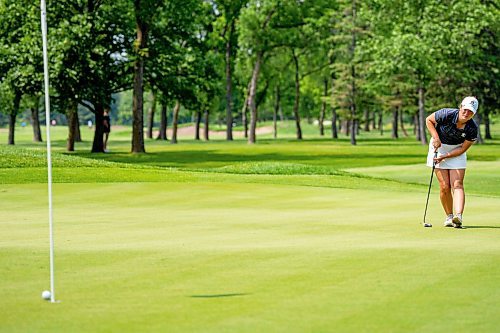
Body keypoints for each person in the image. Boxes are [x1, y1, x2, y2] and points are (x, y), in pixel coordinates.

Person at [425, 96, 479, 228]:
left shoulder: (472, 128)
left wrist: (446, 156)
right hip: (439, 146)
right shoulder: (446, 114)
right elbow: (429, 120)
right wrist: (436, 138)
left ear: (474, 113)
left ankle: (458, 216)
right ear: (460, 107)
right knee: (445, 186)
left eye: (470, 112)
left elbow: (462, 149)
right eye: (465, 109)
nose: (467, 113)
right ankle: (449, 217)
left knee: (458, 184)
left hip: (456, 151)